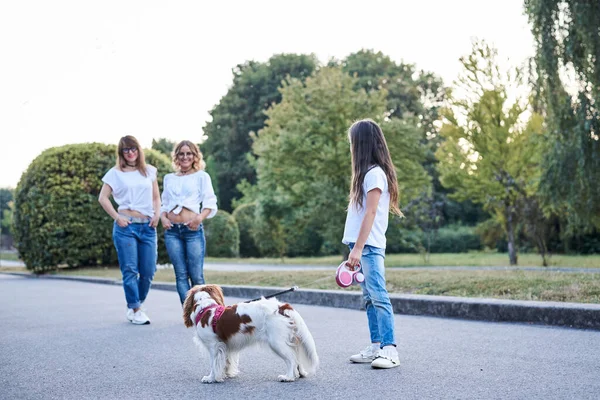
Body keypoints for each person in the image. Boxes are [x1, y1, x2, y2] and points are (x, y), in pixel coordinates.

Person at [342, 119, 402, 369]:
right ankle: (376, 345)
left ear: (361, 144)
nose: (351, 147)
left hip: (369, 247)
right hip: (360, 247)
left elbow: (371, 213)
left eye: (352, 142)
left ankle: (390, 349)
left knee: (378, 296)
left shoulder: (375, 174)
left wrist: (358, 247)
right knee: (369, 298)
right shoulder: (365, 175)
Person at [98, 136, 160, 325]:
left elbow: (156, 197)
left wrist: (157, 214)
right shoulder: (115, 173)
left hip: (148, 226)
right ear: (121, 153)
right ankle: (135, 308)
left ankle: (135, 304)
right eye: (126, 150)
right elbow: (103, 198)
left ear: (139, 150)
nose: (130, 152)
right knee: (130, 270)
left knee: (148, 271)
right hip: (126, 227)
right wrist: (117, 217)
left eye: (133, 148)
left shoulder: (149, 171)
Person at [160, 140, 217, 304]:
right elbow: (164, 204)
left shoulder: (201, 176)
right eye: (181, 153)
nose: (185, 157)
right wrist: (163, 218)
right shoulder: (169, 178)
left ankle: (203, 312)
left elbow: (210, 203)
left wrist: (198, 219)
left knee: (196, 274)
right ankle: (189, 313)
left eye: (189, 153)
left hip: (192, 230)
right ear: (176, 156)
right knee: (180, 274)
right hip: (172, 232)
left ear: (194, 156)